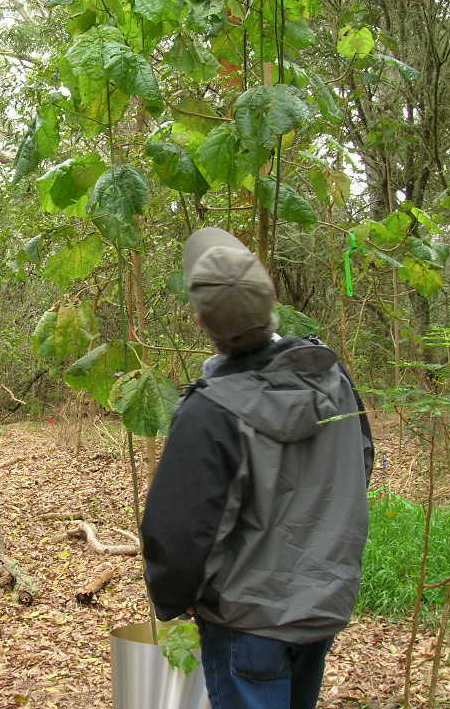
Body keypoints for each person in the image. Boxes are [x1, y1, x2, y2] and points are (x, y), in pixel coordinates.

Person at [141, 227, 374, 709]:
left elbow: (180, 535)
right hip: (321, 608)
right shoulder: (332, 376)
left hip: (246, 624)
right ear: (272, 305)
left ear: (201, 321)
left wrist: (171, 601)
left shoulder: (210, 411)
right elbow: (361, 463)